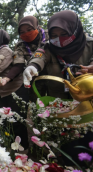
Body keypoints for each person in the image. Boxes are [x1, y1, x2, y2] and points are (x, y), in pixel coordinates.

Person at [23, 10, 93, 165]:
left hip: (88, 108)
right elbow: (39, 56)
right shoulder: (49, 47)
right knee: (62, 148)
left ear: (75, 31)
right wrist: (32, 67)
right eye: (54, 35)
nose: (58, 39)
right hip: (60, 107)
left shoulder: (90, 44)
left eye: (63, 34)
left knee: (85, 146)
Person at [0, 16, 47, 102]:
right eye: (22, 32)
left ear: (37, 27)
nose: (26, 33)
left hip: (55, 74)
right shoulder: (20, 46)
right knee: (38, 105)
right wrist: (6, 79)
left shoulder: (50, 35)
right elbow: (19, 64)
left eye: (29, 29)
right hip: (34, 77)